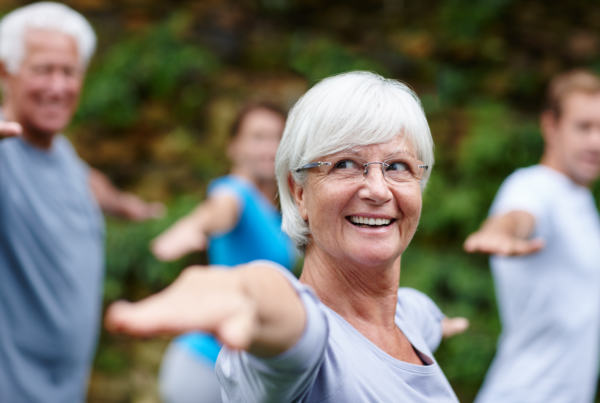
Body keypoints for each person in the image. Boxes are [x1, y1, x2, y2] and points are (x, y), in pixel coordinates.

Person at [105, 71, 469, 402]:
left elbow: (413, 311)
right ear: (299, 192)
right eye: (344, 164)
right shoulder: (311, 344)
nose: (377, 189)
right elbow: (289, 311)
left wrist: (438, 324)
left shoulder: (409, 316)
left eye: (397, 166)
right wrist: (241, 291)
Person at [0, 3, 163, 402]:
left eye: (69, 72)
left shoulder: (65, 155)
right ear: (5, 71)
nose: (58, 87)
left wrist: (125, 204)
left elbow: (90, 181)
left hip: (65, 389)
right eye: (43, 69)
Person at [464, 69, 600, 403]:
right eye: (583, 127)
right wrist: (500, 232)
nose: (596, 142)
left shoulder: (580, 199)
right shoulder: (532, 185)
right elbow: (517, 215)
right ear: (550, 126)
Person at [152, 103, 297, 403]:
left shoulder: (272, 212)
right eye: (257, 137)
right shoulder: (235, 190)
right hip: (206, 362)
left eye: (277, 137)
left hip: (245, 365)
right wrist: (193, 225)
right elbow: (220, 208)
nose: (269, 147)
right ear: (233, 146)